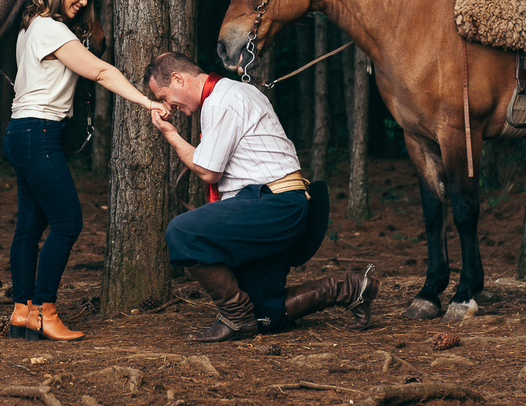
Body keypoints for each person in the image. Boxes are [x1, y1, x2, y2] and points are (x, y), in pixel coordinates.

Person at [145, 51, 379, 342]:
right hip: (278, 206)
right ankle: (349, 289)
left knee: (182, 232)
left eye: (165, 96)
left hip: (273, 205)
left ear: (179, 79)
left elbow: (207, 171)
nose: (169, 106)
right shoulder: (234, 92)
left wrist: (170, 134)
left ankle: (236, 318)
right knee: (266, 317)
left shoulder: (221, 100)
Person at [6, 0, 166, 342]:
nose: (82, 1)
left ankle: (22, 311)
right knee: (67, 222)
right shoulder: (50, 29)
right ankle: (45, 311)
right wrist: (147, 103)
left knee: (30, 226)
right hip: (38, 133)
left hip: (22, 132)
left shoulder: (30, 29)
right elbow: (101, 71)